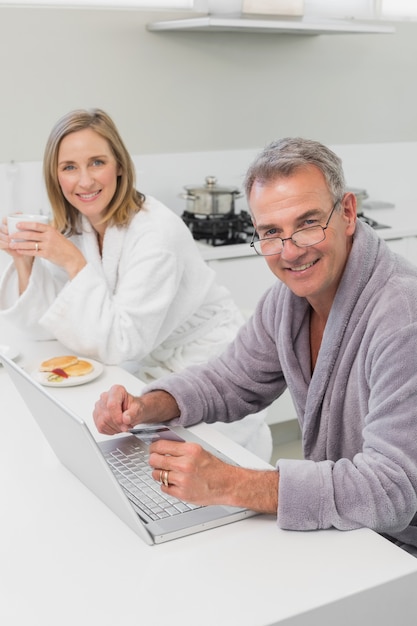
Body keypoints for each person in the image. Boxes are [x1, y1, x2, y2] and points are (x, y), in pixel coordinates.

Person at [93, 137, 417, 556]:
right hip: (353, 531)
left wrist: (233, 483)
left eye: (307, 223)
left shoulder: (402, 317)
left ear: (349, 213)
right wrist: (146, 406)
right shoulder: (288, 302)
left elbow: (389, 490)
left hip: (400, 551)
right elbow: (231, 380)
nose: (291, 251)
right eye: (271, 233)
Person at [0, 108, 272, 461]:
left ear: (120, 166)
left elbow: (122, 343)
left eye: (96, 162)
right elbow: (44, 325)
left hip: (204, 374)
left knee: (200, 488)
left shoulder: (156, 233)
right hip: (142, 373)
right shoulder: (78, 227)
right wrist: (25, 261)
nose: (84, 181)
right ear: (55, 177)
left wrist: (71, 260)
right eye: (69, 167)